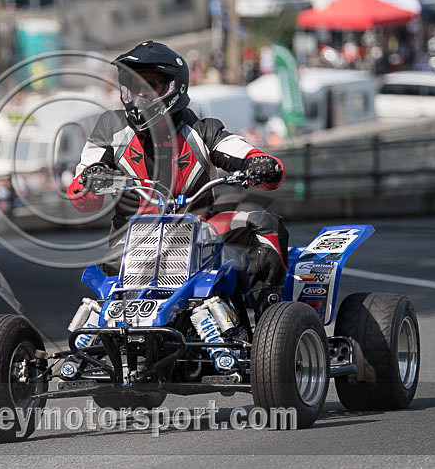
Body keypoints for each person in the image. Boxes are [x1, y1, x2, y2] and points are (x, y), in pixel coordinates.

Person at [66, 41, 289, 318]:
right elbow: (80, 195)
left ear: (175, 88)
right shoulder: (110, 128)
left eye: (150, 86)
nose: (140, 95)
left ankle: (269, 323)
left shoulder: (202, 129)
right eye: (133, 87)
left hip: (202, 233)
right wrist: (90, 179)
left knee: (264, 223)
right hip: (131, 242)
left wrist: (260, 163)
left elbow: (246, 153)